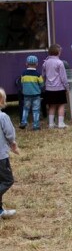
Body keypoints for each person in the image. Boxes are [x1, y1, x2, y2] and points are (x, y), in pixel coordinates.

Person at [0, 88, 19, 219]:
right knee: (7, 180)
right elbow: (10, 134)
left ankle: (0, 211)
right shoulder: (3, 117)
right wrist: (13, 144)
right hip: (1, 156)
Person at [42, 44, 69, 129]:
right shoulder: (60, 63)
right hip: (59, 88)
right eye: (60, 51)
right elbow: (63, 77)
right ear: (58, 52)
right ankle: (61, 123)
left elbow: (43, 75)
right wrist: (66, 87)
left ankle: (51, 124)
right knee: (61, 105)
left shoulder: (45, 63)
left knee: (51, 106)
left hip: (49, 88)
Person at [20, 55, 44, 130]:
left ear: (26, 64)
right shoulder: (38, 74)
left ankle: (23, 122)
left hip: (26, 94)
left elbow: (22, 82)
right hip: (36, 95)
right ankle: (36, 125)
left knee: (26, 108)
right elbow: (42, 84)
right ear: (37, 64)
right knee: (36, 110)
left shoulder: (23, 74)